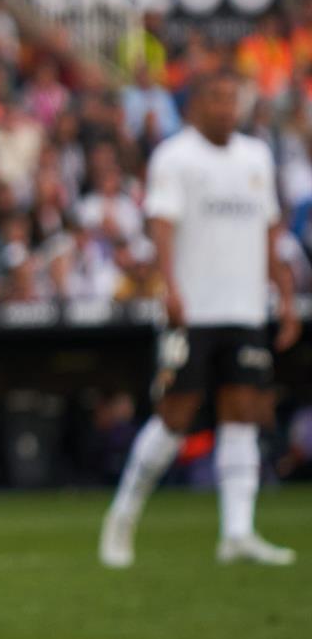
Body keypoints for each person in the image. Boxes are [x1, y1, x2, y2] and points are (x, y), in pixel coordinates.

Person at [101, 70, 302, 568]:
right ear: (195, 105)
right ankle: (122, 515)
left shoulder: (255, 157)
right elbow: (162, 225)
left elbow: (269, 231)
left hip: (245, 307)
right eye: (217, 98)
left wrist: (286, 295)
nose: (226, 108)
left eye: (233, 99)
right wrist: (170, 287)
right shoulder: (176, 156)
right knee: (175, 416)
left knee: (243, 413)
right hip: (194, 308)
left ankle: (237, 532)